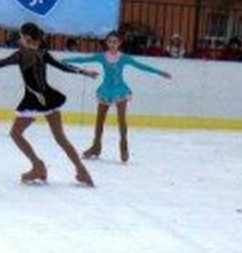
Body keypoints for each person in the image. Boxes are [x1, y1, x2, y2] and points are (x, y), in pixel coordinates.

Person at [0, 22, 99, 186]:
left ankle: (38, 165)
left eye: (20, 36)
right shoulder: (42, 53)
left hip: (34, 101)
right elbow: (63, 66)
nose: (19, 39)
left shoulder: (21, 55)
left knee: (15, 134)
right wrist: (85, 72)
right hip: (49, 98)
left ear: (26, 38)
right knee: (61, 138)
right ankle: (82, 170)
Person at [63, 31, 172, 163]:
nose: (112, 44)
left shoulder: (124, 58)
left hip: (120, 90)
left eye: (115, 41)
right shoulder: (102, 56)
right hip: (105, 91)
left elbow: (141, 66)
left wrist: (160, 73)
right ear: (107, 43)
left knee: (121, 120)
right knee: (99, 121)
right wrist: (64, 60)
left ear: (119, 43)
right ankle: (96, 146)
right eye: (110, 41)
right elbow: (84, 59)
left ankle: (124, 146)